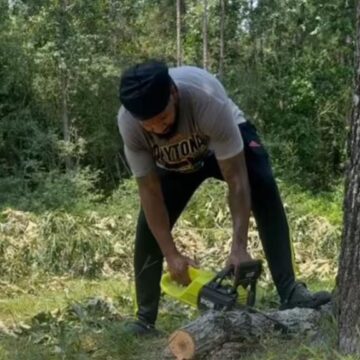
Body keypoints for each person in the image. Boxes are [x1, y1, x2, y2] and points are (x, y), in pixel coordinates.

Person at [117, 60, 331, 336]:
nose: (158, 129)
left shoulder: (206, 98)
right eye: (150, 125)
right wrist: (171, 254)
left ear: (173, 93)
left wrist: (239, 247)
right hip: (174, 166)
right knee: (149, 226)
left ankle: (290, 290)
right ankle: (144, 320)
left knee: (263, 186)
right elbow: (149, 191)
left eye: (163, 118)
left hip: (220, 147)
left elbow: (237, 178)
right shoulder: (129, 123)